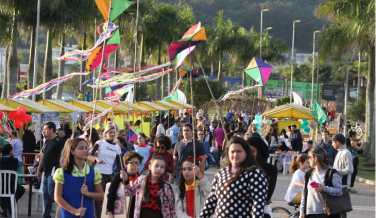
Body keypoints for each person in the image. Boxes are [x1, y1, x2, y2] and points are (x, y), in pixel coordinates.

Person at [199, 137, 267, 218]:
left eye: (239, 151)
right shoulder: (221, 173)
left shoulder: (254, 174)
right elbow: (212, 199)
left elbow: (258, 203)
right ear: (228, 153)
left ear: (246, 152)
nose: (235, 155)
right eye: (232, 151)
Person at [53, 138, 103, 218]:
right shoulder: (62, 172)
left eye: (86, 148)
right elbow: (57, 197)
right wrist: (74, 211)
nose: (85, 150)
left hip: (87, 214)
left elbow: (101, 195)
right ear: (72, 151)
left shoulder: (93, 172)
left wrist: (88, 193)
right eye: (81, 148)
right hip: (68, 215)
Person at [299, 147, 343, 218]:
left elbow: (339, 191)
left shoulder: (331, 173)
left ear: (316, 158)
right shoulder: (309, 174)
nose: (308, 159)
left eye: (309, 157)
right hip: (310, 213)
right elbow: (304, 194)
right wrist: (302, 211)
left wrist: (324, 188)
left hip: (326, 214)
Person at [89, 125, 121, 218]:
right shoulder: (100, 142)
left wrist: (120, 174)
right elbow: (89, 156)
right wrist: (96, 158)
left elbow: (119, 164)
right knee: (98, 198)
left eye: (114, 132)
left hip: (109, 174)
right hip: (98, 172)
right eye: (110, 132)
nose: (112, 134)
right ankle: (97, 216)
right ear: (105, 133)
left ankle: (107, 215)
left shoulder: (117, 147)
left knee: (109, 197)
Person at [37, 122, 65, 218]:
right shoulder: (47, 141)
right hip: (45, 170)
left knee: (51, 192)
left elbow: (63, 156)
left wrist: (61, 168)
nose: (44, 131)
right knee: (45, 193)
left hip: (54, 170)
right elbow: (43, 156)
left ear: (51, 129)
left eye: (45, 129)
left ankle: (64, 207)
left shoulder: (58, 141)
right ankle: (46, 215)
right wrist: (38, 170)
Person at [247, 136, 277, 218]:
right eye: (247, 151)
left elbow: (267, 195)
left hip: (262, 211)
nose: (249, 154)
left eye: (252, 151)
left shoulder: (271, 169)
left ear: (259, 152)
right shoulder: (242, 168)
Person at [107, 151, 143, 218]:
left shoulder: (141, 178)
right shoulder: (119, 176)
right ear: (125, 164)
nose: (135, 165)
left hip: (136, 212)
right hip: (121, 212)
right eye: (132, 163)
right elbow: (111, 193)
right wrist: (110, 212)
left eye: (137, 163)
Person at [0, 144, 25, 216]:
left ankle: (5, 208)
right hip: (12, 186)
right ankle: (8, 207)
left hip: (1, 186)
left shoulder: (0, 161)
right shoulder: (15, 161)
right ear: (10, 151)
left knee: (3, 192)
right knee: (21, 190)